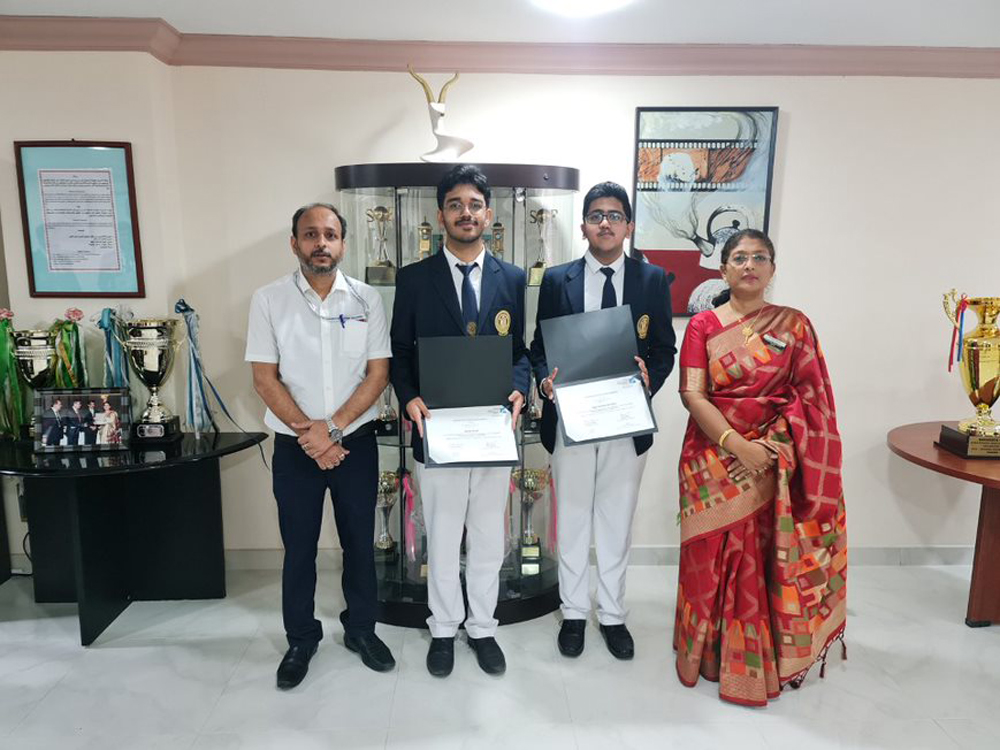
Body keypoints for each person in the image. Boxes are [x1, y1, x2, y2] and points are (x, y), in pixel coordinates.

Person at [674, 229, 847, 706]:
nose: (749, 265)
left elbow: (812, 399)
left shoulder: (795, 326)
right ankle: (705, 653)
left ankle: (762, 656)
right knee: (708, 559)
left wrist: (768, 446)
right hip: (709, 456)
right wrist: (734, 443)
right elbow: (692, 394)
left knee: (763, 555)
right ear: (723, 268)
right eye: (738, 257)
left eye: (759, 257)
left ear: (772, 268)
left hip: (775, 453)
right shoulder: (702, 326)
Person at [246, 202, 395, 690]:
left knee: (358, 542)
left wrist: (331, 428)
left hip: (355, 441)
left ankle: (361, 631)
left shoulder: (367, 299)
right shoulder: (268, 300)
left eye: (330, 235)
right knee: (299, 548)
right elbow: (264, 379)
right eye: (311, 235)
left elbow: (378, 373)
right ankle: (301, 639)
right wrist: (311, 433)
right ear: (295, 243)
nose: (321, 243)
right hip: (295, 448)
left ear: (343, 244)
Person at [390, 164, 529, 677]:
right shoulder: (414, 279)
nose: (465, 213)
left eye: (474, 204)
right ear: (440, 214)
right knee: (444, 536)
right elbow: (399, 352)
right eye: (455, 204)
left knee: (490, 536)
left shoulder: (511, 277)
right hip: (438, 430)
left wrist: (520, 386)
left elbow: (519, 350)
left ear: (487, 214)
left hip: (492, 430)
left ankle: (483, 627)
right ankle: (443, 629)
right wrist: (408, 398)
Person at [529, 181, 676, 660]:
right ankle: (574, 613)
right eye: (596, 215)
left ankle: (612, 614)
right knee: (571, 517)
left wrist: (645, 378)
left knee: (616, 519)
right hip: (572, 420)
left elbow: (663, 349)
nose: (605, 223)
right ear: (584, 224)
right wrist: (545, 385)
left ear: (629, 226)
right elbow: (539, 348)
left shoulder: (653, 280)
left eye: (615, 215)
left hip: (625, 421)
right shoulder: (557, 280)